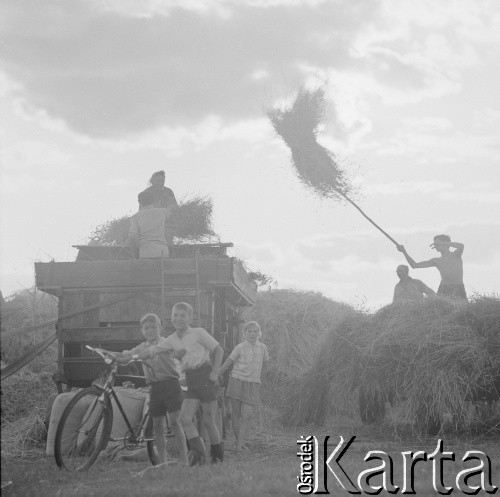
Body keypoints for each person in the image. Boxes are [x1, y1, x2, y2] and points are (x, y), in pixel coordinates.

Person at [102, 313, 188, 465]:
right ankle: (162, 462)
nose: (150, 331)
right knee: (158, 426)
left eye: (153, 327)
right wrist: (107, 353)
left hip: (171, 385)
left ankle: (185, 460)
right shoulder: (142, 346)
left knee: (175, 423)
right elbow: (125, 356)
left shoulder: (166, 342)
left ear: (159, 328)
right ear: (142, 331)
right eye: (146, 328)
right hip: (155, 388)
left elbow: (179, 351)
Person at [163, 302, 224, 465]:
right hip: (190, 381)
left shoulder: (198, 333)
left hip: (205, 377)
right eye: (175, 315)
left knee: (208, 420)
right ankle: (199, 456)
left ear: (190, 317)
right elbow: (166, 355)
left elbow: (219, 350)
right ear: (171, 317)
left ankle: (217, 458)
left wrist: (215, 372)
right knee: (185, 418)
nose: (178, 319)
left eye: (183, 316)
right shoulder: (172, 340)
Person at [219, 321, 269, 453]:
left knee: (247, 415)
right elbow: (228, 362)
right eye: (249, 331)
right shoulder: (240, 347)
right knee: (236, 414)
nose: (252, 334)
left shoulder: (263, 347)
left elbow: (265, 365)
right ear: (244, 333)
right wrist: (215, 375)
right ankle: (240, 444)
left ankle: (240, 444)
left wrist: (259, 379)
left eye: (255, 331)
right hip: (237, 381)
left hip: (252, 384)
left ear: (259, 333)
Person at [397, 234, 467, 300]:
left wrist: (443, 243)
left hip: (459, 288)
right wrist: (404, 252)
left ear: (445, 243)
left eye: (438, 243)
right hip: (444, 289)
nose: (436, 245)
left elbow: (461, 246)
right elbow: (414, 265)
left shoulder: (456, 255)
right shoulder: (436, 261)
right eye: (435, 243)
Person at [128, 190, 170, 259]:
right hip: (163, 253)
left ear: (139, 202)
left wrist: (135, 253)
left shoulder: (135, 217)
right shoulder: (163, 212)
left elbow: (132, 237)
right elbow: (171, 215)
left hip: (146, 253)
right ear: (153, 200)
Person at [141, 170, 178, 244]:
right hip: (152, 226)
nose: (160, 183)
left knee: (168, 244)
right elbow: (142, 210)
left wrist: (169, 209)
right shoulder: (146, 193)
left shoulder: (168, 191)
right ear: (152, 181)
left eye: (162, 181)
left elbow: (175, 205)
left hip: (167, 224)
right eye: (158, 181)